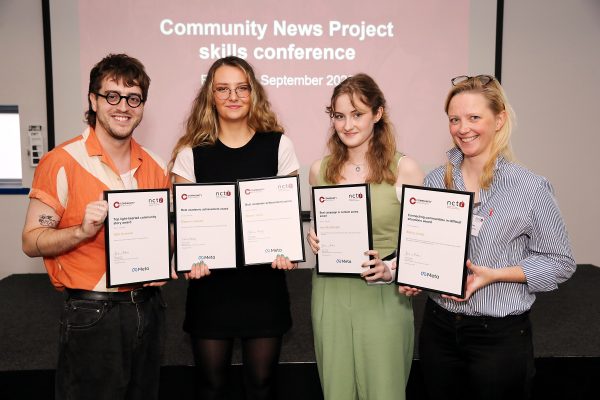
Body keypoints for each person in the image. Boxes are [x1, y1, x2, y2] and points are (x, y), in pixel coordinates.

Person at [399, 75, 576, 400]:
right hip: (438, 330)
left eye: (474, 117)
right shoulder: (437, 180)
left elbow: (561, 263)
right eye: (455, 119)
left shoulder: (530, 188)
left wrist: (495, 275)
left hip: (498, 338)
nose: (462, 128)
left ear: (500, 119)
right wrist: (416, 276)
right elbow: (427, 250)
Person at [21, 54, 171, 400]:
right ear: (93, 100)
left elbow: (167, 239)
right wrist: (80, 232)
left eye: (133, 98)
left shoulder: (155, 164)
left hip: (148, 308)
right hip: (93, 313)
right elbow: (30, 240)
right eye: (112, 96)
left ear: (142, 105)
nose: (123, 107)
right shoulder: (62, 161)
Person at [169, 56, 300, 400]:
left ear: (253, 93)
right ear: (210, 95)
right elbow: (186, 227)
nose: (233, 96)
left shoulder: (278, 146)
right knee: (211, 387)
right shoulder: (190, 154)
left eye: (242, 88)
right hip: (210, 290)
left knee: (261, 386)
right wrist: (188, 257)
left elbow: (285, 217)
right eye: (223, 88)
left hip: (264, 288)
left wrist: (288, 250)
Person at [306, 74, 424, 400]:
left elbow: (422, 246)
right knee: (337, 392)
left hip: (382, 295)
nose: (347, 125)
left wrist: (392, 271)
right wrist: (313, 237)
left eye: (357, 114)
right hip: (329, 293)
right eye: (339, 116)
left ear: (378, 113)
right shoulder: (320, 170)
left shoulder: (406, 169)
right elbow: (321, 225)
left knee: (384, 391)